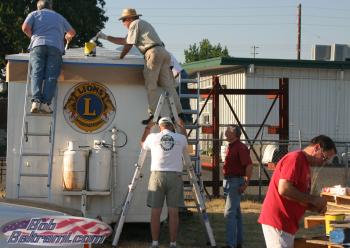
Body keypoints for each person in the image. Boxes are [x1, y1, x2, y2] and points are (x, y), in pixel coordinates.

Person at [97, 8, 183, 125]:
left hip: (152, 53)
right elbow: (124, 40)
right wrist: (105, 37)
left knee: (150, 84)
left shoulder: (134, 24)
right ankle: (178, 114)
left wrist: (121, 57)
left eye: (123, 20)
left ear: (129, 18)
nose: (123, 24)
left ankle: (154, 115)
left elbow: (128, 44)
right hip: (163, 52)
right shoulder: (142, 24)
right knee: (168, 85)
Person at [258, 135, 337, 248]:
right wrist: (313, 199)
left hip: (287, 222)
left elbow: (297, 197)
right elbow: (284, 188)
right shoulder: (295, 158)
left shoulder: (305, 165)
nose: (323, 163)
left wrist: (314, 206)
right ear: (317, 148)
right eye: (324, 158)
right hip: (279, 219)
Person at [141, 117, 187, 248]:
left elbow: (142, 143)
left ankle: (155, 242)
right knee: (173, 212)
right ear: (172, 126)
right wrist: (182, 126)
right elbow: (185, 140)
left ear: (160, 126)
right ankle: (173, 243)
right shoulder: (179, 138)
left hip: (157, 175)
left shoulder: (152, 137)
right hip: (175, 176)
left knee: (156, 212)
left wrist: (148, 127)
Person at [22, 0, 76, 113]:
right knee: (51, 75)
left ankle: (35, 102)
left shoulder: (34, 14)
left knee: (37, 71)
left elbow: (25, 27)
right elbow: (72, 32)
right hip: (55, 46)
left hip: (38, 45)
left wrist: (33, 37)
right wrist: (67, 36)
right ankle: (46, 103)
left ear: (38, 7)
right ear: (50, 7)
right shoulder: (59, 17)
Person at [222, 125, 253, 248]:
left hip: (234, 182)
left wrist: (245, 183)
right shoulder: (232, 146)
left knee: (229, 213)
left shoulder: (240, 147)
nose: (225, 132)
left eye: (228, 131)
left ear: (235, 134)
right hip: (229, 181)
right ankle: (238, 242)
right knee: (236, 214)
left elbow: (249, 166)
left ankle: (231, 244)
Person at [170, 54, 193, 124]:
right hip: (180, 75)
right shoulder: (164, 53)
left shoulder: (164, 55)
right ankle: (187, 119)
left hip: (179, 75)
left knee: (182, 100)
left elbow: (176, 72)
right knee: (182, 100)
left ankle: (187, 120)